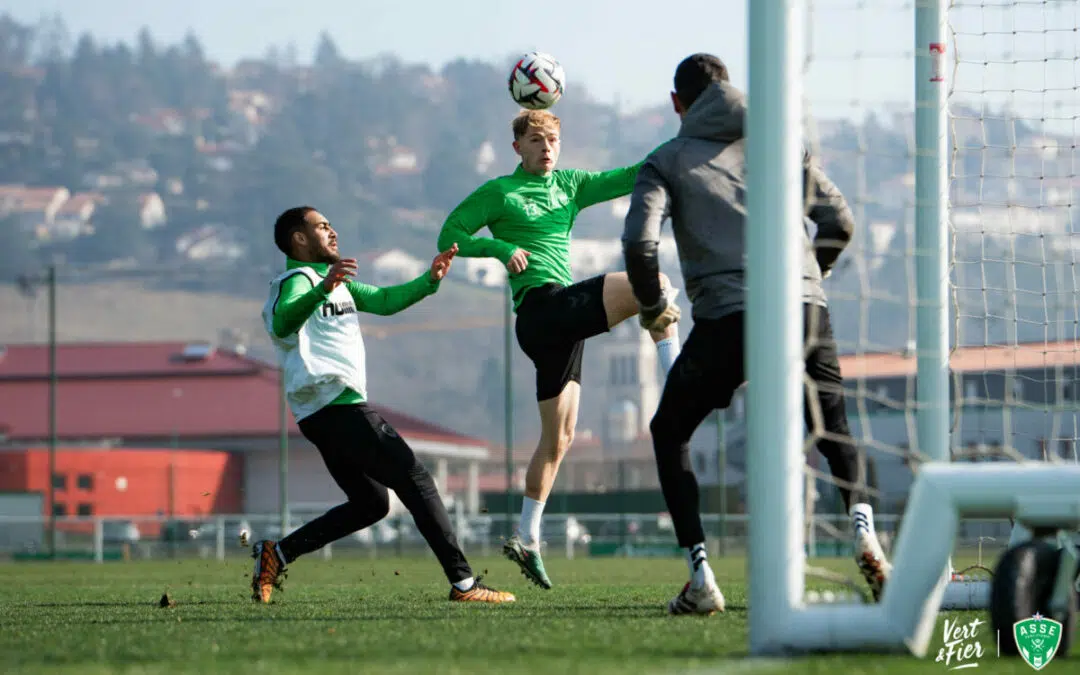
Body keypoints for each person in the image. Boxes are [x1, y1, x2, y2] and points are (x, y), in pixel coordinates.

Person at [621, 53, 892, 615]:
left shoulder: (666, 161)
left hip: (729, 316)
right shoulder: (779, 142)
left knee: (670, 430)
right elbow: (839, 223)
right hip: (804, 308)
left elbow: (640, 245)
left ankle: (700, 577)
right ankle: (866, 534)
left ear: (678, 103)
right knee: (834, 427)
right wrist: (808, 276)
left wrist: (652, 307)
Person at [436, 109, 682, 589]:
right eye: (535, 139)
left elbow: (631, 176)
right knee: (654, 282)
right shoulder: (498, 193)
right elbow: (450, 237)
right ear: (517, 148)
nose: (546, 147)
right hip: (541, 310)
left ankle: (526, 536)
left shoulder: (570, 184)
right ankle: (677, 373)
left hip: (562, 326)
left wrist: (679, 144)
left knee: (559, 441)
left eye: (552, 140)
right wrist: (500, 250)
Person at [251, 205, 515, 605]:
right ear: (299, 239)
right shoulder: (297, 280)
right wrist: (322, 289)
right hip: (335, 405)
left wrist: (429, 280)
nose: (333, 231)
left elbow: (386, 300)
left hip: (322, 412)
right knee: (416, 478)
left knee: (372, 503)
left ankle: (279, 554)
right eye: (322, 225)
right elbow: (285, 322)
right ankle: (464, 584)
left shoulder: (334, 282)